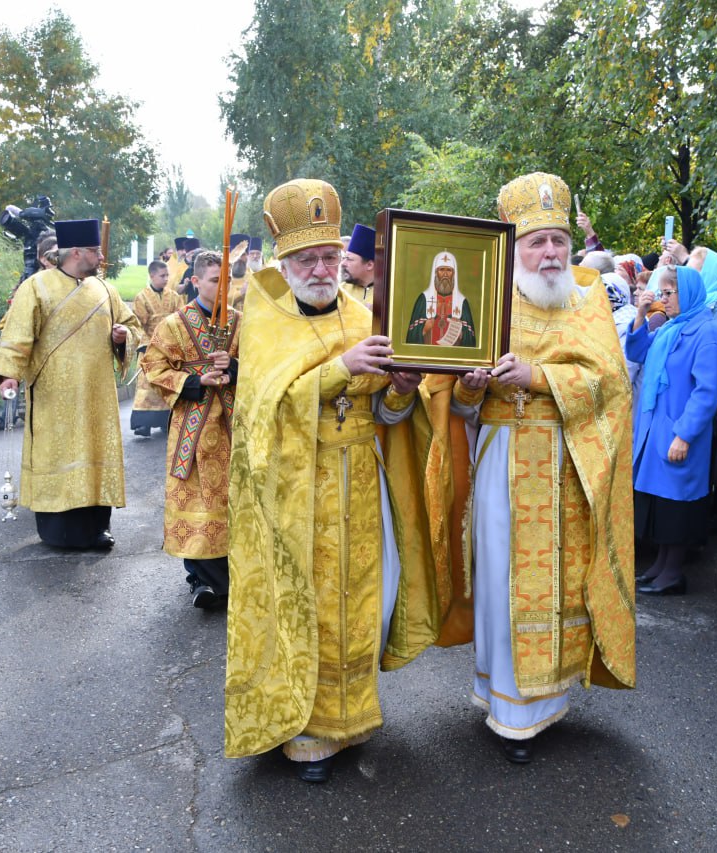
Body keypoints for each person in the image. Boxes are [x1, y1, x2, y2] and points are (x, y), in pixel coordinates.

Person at [224, 178, 438, 783]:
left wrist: (399, 391)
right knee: (309, 606)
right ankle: (309, 731)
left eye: (327, 256)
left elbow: (392, 418)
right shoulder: (264, 317)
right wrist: (337, 372)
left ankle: (353, 719)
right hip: (295, 492)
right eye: (306, 259)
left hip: (363, 484)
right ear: (285, 262)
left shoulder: (364, 312)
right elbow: (259, 409)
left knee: (366, 599)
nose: (320, 268)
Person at [451, 172, 637, 763]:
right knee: (506, 583)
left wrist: (540, 377)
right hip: (504, 460)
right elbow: (454, 400)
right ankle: (510, 709)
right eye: (537, 243)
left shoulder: (589, 301)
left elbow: (612, 385)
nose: (551, 252)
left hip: (571, 463)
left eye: (558, 239)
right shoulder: (487, 302)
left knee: (560, 585)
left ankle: (549, 695)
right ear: (514, 248)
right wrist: (470, 388)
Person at [0, 219, 142, 550]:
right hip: (53, 395)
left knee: (94, 451)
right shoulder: (37, 286)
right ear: (76, 252)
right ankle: (58, 531)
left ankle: (97, 528)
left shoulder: (104, 289)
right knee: (57, 454)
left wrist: (123, 336)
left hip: (97, 394)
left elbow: (133, 326)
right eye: (95, 251)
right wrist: (9, 373)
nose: (101, 257)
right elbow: (17, 335)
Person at [143, 251, 237, 609]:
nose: (223, 286)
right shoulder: (174, 324)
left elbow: (262, 366)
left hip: (234, 427)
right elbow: (153, 367)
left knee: (234, 503)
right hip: (193, 430)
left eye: (227, 279)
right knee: (199, 501)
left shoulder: (243, 322)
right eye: (215, 280)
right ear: (196, 281)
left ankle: (239, 577)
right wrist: (196, 379)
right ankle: (202, 580)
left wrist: (235, 367)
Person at [624, 264, 717, 594]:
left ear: (690, 293)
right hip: (657, 428)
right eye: (663, 293)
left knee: (677, 504)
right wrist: (641, 314)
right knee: (660, 501)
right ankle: (660, 565)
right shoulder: (670, 329)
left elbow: (707, 392)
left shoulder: (706, 333)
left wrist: (684, 435)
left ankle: (672, 573)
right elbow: (636, 351)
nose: (663, 299)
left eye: (669, 293)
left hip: (680, 433)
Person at [130, 260, 184, 436]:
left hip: (169, 345)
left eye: (167, 275)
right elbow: (137, 325)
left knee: (168, 382)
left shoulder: (175, 297)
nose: (166, 279)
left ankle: (166, 420)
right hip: (149, 345)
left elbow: (181, 320)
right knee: (147, 385)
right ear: (152, 276)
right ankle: (143, 424)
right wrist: (145, 344)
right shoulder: (141, 297)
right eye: (162, 276)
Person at [406, 251, 477, 347]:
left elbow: (471, 341)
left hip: (453, 358)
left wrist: (462, 333)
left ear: (454, 274)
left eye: (449, 270)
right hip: (427, 356)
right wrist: (424, 329)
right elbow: (411, 337)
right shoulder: (424, 299)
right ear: (435, 273)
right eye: (441, 270)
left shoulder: (462, 302)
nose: (445, 274)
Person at [340, 223, 375, 305]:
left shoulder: (385, 296)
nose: (343, 263)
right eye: (344, 258)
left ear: (369, 265)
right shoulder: (340, 291)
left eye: (349, 259)